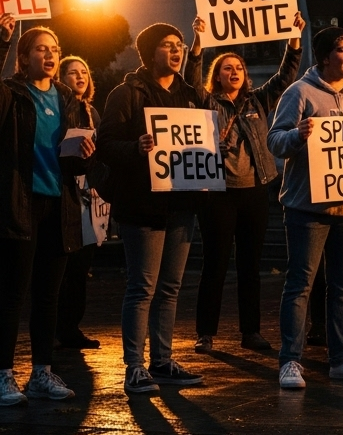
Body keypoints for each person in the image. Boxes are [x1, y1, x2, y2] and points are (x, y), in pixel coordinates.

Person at [267, 26, 343, 389]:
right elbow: (275, 140)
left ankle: (341, 358)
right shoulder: (299, 92)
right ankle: (290, 360)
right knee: (301, 284)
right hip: (307, 207)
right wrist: (297, 135)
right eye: (342, 50)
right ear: (323, 56)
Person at [98, 22, 213, 395]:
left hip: (181, 205)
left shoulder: (190, 94)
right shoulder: (126, 93)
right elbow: (106, 144)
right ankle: (134, 366)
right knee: (142, 287)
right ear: (149, 53)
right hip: (142, 206)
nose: (176, 51)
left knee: (170, 287)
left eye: (179, 45)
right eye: (167, 45)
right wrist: (137, 147)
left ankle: (162, 361)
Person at [185, 14, 305, 354]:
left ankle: (250, 332)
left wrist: (294, 39)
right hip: (218, 193)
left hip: (254, 191)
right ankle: (206, 333)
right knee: (216, 265)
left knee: (250, 266)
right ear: (217, 75)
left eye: (238, 67)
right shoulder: (206, 101)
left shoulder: (257, 101)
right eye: (227, 68)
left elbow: (284, 78)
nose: (234, 72)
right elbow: (191, 80)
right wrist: (198, 43)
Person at [0, 21, 94, 406]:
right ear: (23, 59)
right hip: (21, 204)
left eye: (54, 47)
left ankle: (42, 371)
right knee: (11, 294)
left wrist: (83, 156)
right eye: (40, 48)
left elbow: (70, 160)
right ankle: (4, 375)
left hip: (59, 205)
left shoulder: (69, 100)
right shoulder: (11, 94)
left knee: (47, 296)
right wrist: (2, 40)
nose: (50, 54)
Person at [55, 55, 103, 350]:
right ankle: (56, 327)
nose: (79, 77)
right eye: (72, 73)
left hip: (88, 196)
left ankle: (71, 327)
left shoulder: (93, 113)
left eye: (84, 72)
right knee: (62, 266)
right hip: (63, 194)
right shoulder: (59, 109)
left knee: (81, 266)